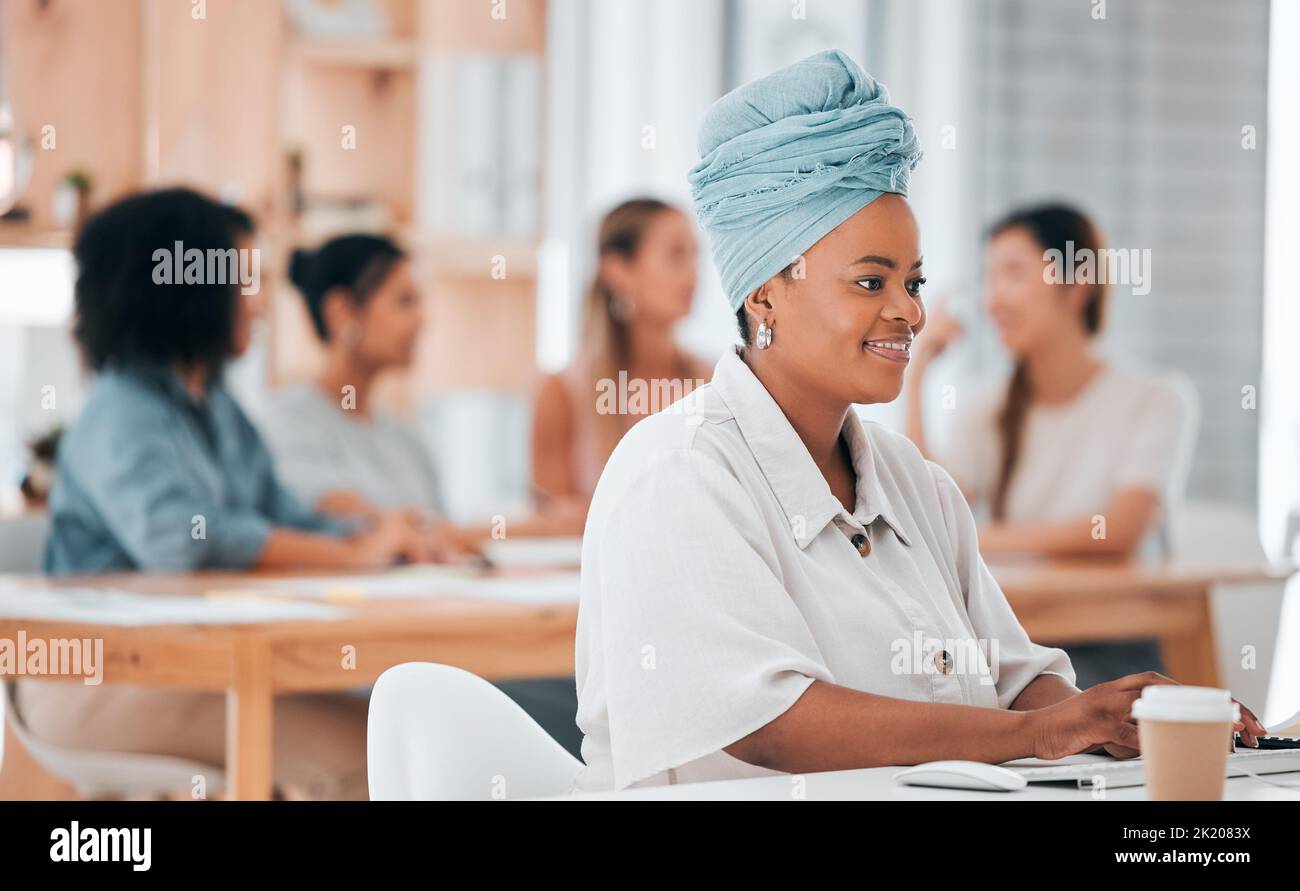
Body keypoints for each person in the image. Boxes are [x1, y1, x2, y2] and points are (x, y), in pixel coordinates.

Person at [572, 50, 1264, 791]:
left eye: (914, 281)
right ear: (766, 295)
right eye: (872, 281)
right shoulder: (678, 471)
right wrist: (1042, 732)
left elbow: (1016, 679)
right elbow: (774, 722)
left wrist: (1125, 722)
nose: (911, 310)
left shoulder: (914, 484)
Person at [25, 188, 424, 799]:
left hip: (199, 667)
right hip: (103, 680)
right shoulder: (120, 412)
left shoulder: (214, 406)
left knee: (396, 737)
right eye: (248, 281)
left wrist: (383, 537)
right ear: (185, 288)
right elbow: (183, 540)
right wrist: (354, 557)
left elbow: (280, 512)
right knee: (369, 757)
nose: (261, 305)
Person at [904, 205, 1199, 686]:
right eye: (989, 277)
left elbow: (1122, 531)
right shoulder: (986, 407)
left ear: (1078, 283)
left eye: (1013, 273)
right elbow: (932, 512)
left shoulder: (1156, 399)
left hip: (1121, 648)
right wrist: (917, 374)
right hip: (1017, 642)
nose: (992, 299)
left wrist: (980, 539)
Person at [262, 234, 470, 559]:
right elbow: (349, 519)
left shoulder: (404, 435)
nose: (422, 319)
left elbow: (442, 534)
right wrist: (540, 529)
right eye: (404, 301)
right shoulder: (289, 424)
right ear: (342, 311)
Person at [531, 198, 712, 532]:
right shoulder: (562, 392)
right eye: (675, 255)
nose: (693, 273)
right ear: (617, 270)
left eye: (694, 255)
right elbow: (553, 523)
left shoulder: (716, 383)